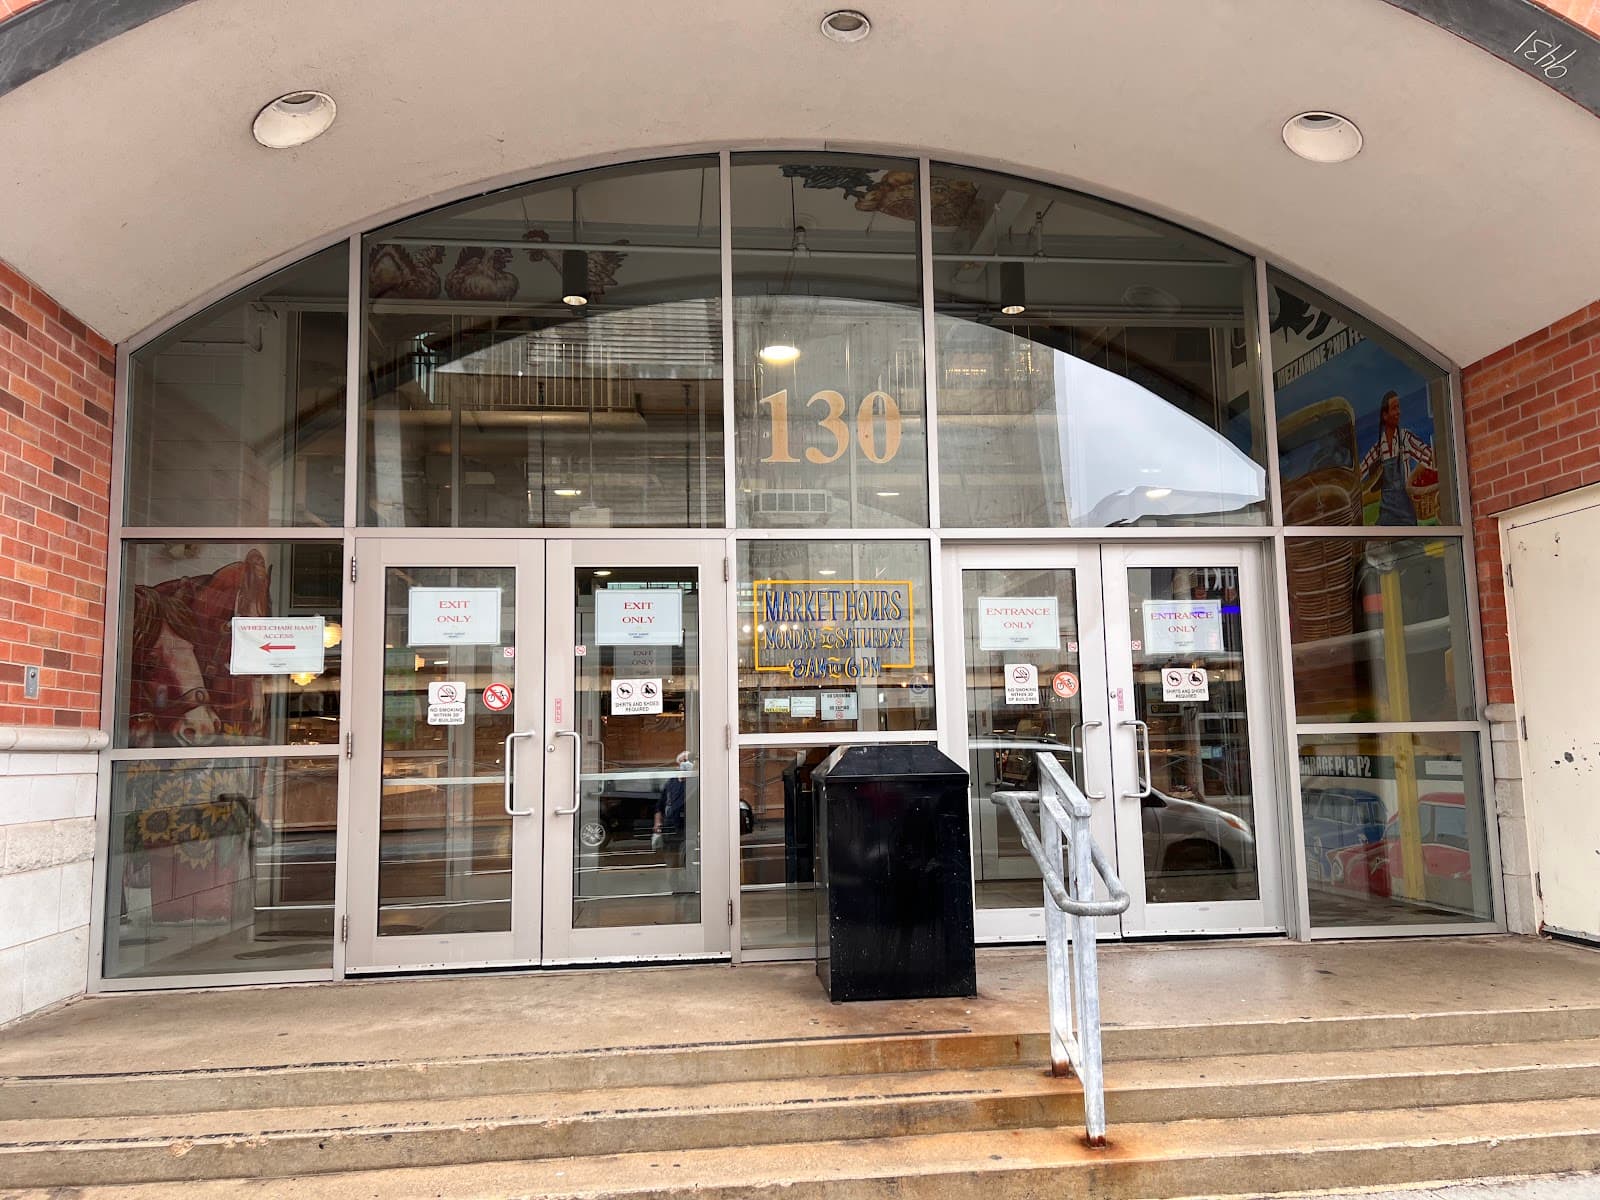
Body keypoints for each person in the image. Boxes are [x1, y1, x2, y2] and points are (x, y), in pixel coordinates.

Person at [1359, 390, 1434, 525]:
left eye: (1399, 407)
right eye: (1394, 408)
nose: (1399, 412)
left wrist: (1411, 478)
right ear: (1385, 416)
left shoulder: (1405, 438)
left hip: (1406, 515)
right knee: (1372, 544)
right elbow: (1360, 472)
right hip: (1386, 514)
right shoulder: (1378, 448)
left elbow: (1429, 455)